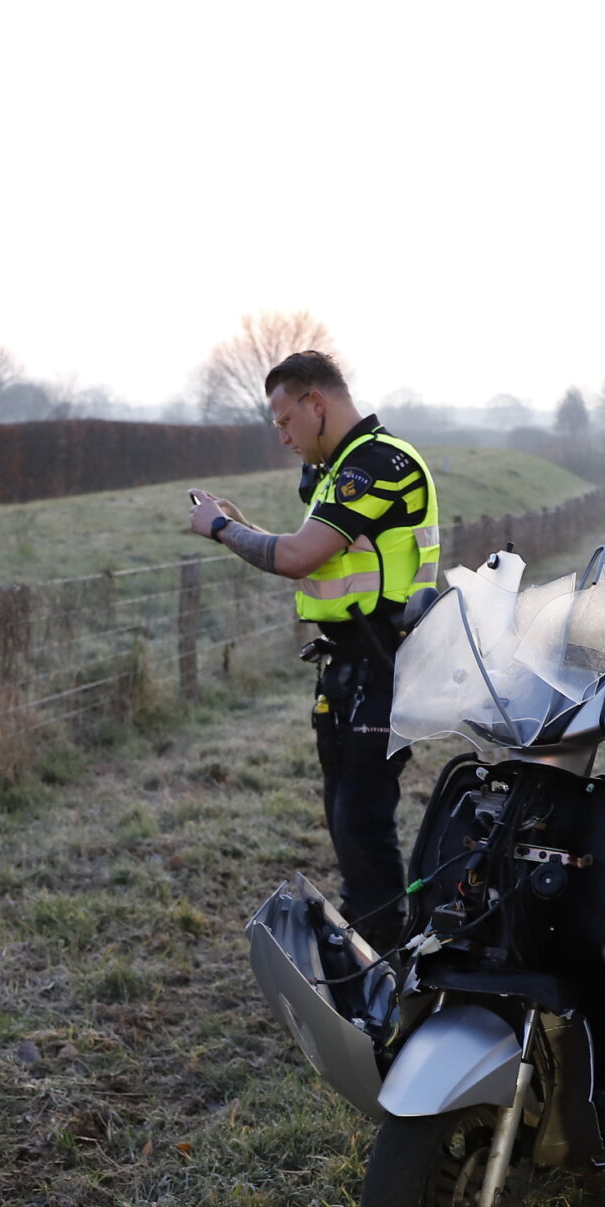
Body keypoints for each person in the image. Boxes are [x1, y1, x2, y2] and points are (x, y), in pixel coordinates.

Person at [186, 351, 440, 936]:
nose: (283, 437)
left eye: (284, 421)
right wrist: (241, 524)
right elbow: (318, 559)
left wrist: (222, 529)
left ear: (316, 403)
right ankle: (371, 948)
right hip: (350, 667)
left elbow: (298, 556)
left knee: (361, 826)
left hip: (384, 664)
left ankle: (382, 961)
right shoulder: (343, 465)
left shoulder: (375, 464)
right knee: (346, 823)